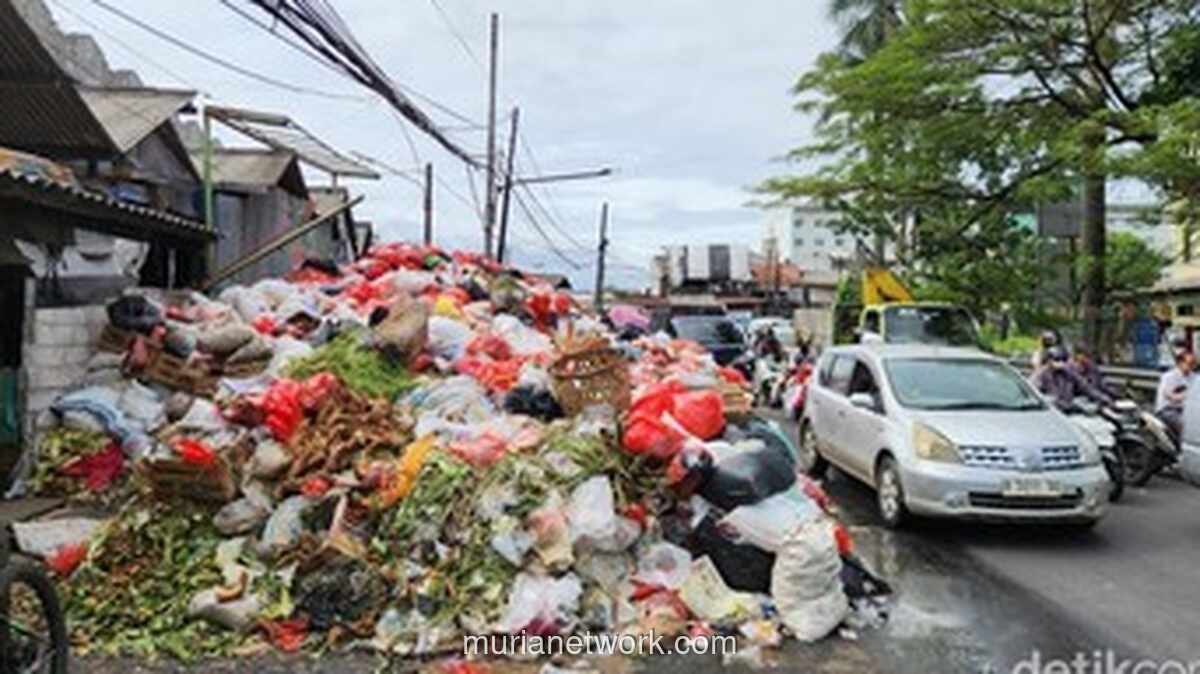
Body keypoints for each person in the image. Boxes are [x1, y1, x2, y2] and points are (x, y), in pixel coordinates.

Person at [1031, 346, 1112, 410]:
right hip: (1051, 410)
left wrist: (1103, 398)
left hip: (1069, 409)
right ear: (1049, 360)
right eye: (1057, 360)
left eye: (1063, 360)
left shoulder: (1069, 372)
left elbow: (1085, 387)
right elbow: (1032, 391)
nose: (1060, 363)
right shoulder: (1041, 374)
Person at [1155, 350, 1195, 439]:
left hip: (1186, 410)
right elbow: (1168, 395)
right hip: (1168, 410)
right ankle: (1182, 447)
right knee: (1184, 423)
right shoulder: (1169, 376)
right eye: (1189, 363)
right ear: (1180, 363)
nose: (1192, 366)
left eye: (1193, 363)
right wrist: (1187, 397)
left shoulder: (1193, 377)